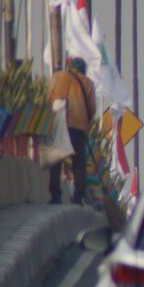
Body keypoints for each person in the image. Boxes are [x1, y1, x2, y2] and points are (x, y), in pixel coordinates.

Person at [48, 57, 97, 205]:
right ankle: (78, 197)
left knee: (56, 162)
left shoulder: (57, 78)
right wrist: (86, 120)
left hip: (58, 124)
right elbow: (92, 108)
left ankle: (56, 196)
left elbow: (49, 99)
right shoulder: (88, 83)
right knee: (78, 163)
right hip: (77, 126)